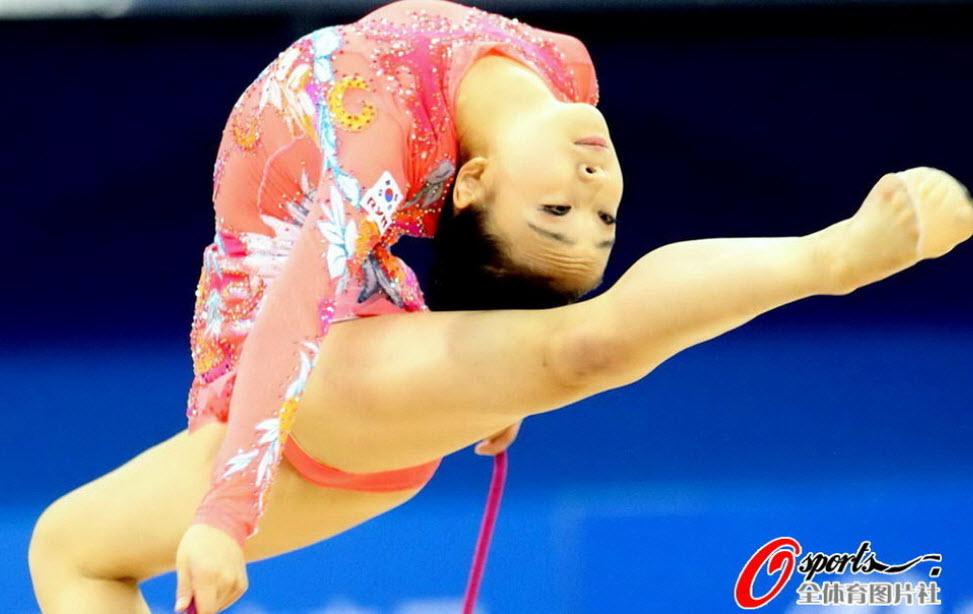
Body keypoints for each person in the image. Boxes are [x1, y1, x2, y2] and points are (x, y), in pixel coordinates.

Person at [27, 0, 973, 612]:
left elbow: (299, 309)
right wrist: (482, 381)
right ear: (468, 184)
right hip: (317, 373)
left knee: (578, 349)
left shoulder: (382, 139)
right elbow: (313, 305)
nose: (593, 192)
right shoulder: (563, 71)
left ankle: (828, 258)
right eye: (590, 218)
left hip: (318, 377)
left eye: (566, 214)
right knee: (69, 551)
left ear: (472, 183)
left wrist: (223, 516)